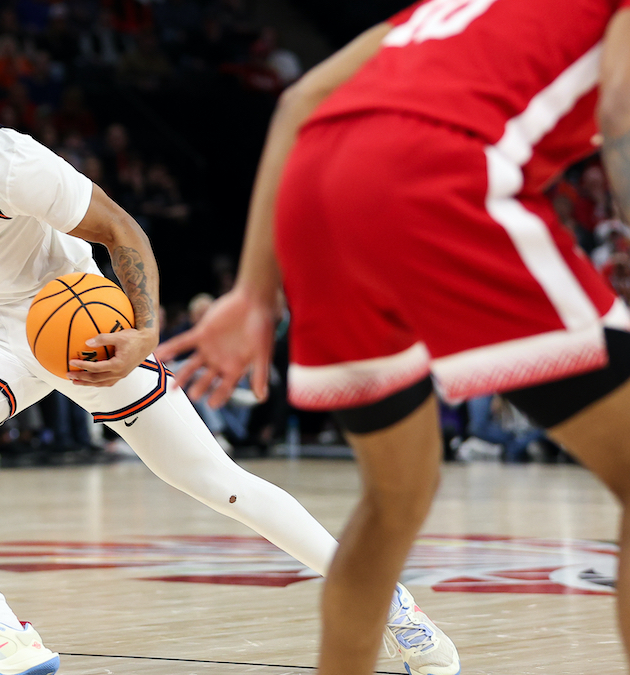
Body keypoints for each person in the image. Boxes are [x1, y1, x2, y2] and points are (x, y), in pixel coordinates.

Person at [0, 17, 457, 675]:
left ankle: (393, 605)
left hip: (77, 324)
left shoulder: (4, 159)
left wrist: (143, 333)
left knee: (216, 481)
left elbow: (122, 230)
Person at [158, 0, 630, 672]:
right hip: (439, 173)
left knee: (395, 500)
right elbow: (620, 113)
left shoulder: (448, 10)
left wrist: (255, 288)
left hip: (316, 190)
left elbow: (298, 101)